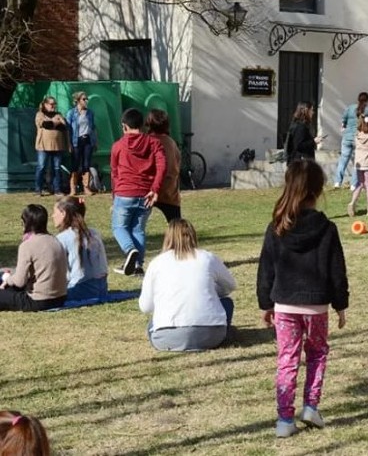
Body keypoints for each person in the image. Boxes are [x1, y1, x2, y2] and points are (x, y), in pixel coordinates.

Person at [257, 159, 349, 438]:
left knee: (287, 358)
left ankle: (285, 419)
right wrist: (340, 303)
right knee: (317, 353)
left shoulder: (276, 227)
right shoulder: (327, 228)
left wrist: (265, 303)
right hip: (316, 306)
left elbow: (265, 269)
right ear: (318, 190)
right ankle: (310, 405)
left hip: (284, 304)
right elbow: (337, 270)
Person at [139, 219, 236, 352]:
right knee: (226, 303)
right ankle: (220, 331)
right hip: (211, 336)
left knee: (152, 324)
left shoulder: (157, 263)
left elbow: (145, 306)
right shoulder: (207, 258)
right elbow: (230, 286)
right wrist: (210, 291)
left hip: (166, 337)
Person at [110, 108, 166, 276]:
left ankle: (130, 251)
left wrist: (114, 196)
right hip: (145, 194)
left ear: (124, 126)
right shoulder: (154, 143)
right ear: (141, 125)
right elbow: (162, 166)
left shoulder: (118, 146)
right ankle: (138, 266)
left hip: (124, 192)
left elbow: (114, 172)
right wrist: (155, 189)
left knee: (119, 227)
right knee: (138, 229)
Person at [0, 205, 67, 312]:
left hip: (39, 301)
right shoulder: (55, 241)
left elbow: (19, 281)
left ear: (26, 223)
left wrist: (8, 280)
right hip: (60, 298)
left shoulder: (27, 245)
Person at [53, 196, 109, 301]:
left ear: (63, 213)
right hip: (102, 288)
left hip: (80, 289)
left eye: (55, 212)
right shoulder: (94, 233)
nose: (52, 216)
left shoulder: (63, 238)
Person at [145, 109, 182, 222]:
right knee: (175, 223)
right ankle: (178, 238)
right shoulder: (171, 143)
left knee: (137, 227)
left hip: (148, 189)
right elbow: (177, 163)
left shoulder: (146, 141)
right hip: (169, 191)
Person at [334, 92, 368, 190]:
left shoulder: (350, 108)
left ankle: (337, 182)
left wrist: (344, 128)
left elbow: (343, 121)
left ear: (358, 99)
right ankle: (353, 185)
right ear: (367, 101)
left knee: (343, 160)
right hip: (359, 139)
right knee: (357, 162)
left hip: (347, 137)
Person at [65, 91, 98, 196]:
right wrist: (69, 144)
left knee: (86, 164)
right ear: (78, 101)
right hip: (76, 141)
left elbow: (93, 128)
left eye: (86, 98)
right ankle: (73, 188)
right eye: (84, 99)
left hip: (87, 139)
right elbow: (68, 130)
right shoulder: (71, 113)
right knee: (75, 164)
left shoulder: (90, 113)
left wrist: (95, 141)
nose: (86, 101)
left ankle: (86, 187)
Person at [34, 96, 68, 197]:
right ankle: (38, 190)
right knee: (41, 167)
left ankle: (57, 190)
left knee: (57, 168)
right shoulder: (40, 114)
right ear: (45, 104)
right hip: (43, 146)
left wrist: (54, 123)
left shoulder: (58, 114)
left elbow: (64, 125)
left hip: (57, 146)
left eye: (54, 104)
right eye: (51, 104)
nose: (53, 106)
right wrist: (56, 123)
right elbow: (45, 124)